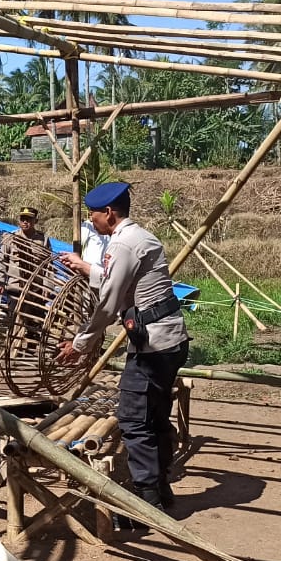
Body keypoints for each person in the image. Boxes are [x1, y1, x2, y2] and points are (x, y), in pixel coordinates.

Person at [57, 182, 189, 512]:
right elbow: (122, 277)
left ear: (109, 214)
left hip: (153, 347)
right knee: (155, 416)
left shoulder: (124, 244)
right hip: (170, 341)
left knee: (133, 419)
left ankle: (146, 506)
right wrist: (85, 266)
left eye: (93, 215)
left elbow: (109, 302)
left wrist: (80, 343)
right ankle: (161, 491)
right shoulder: (136, 237)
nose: (91, 221)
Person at [0, 206, 53, 324]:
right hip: (15, 287)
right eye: (22, 219)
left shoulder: (43, 240)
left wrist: (47, 286)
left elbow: (49, 264)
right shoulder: (11, 238)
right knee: (15, 321)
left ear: (35, 221)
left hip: (36, 289)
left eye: (29, 219)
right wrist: (0, 282)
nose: (25, 222)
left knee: (35, 323)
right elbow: (2, 260)